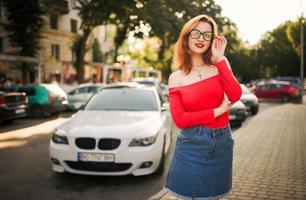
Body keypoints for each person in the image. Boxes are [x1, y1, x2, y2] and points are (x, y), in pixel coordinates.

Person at [165, 14, 242, 199]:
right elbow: (180, 120)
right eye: (196, 33)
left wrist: (220, 59)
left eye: (207, 35)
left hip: (222, 143)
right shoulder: (176, 77)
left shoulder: (220, 65)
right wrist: (219, 111)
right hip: (190, 145)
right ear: (186, 37)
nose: (201, 38)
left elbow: (235, 95)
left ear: (212, 40)